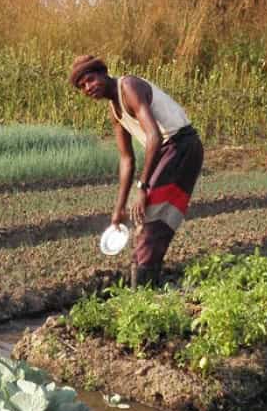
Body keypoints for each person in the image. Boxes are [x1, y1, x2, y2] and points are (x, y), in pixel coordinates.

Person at [70, 55, 204, 287]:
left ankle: (143, 288)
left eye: (90, 79)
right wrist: (118, 209)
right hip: (170, 150)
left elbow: (154, 136)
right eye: (82, 86)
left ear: (103, 73)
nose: (88, 87)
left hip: (181, 145)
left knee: (151, 214)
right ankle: (145, 281)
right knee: (150, 218)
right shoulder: (115, 111)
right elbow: (126, 160)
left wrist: (142, 188)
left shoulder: (129, 87)